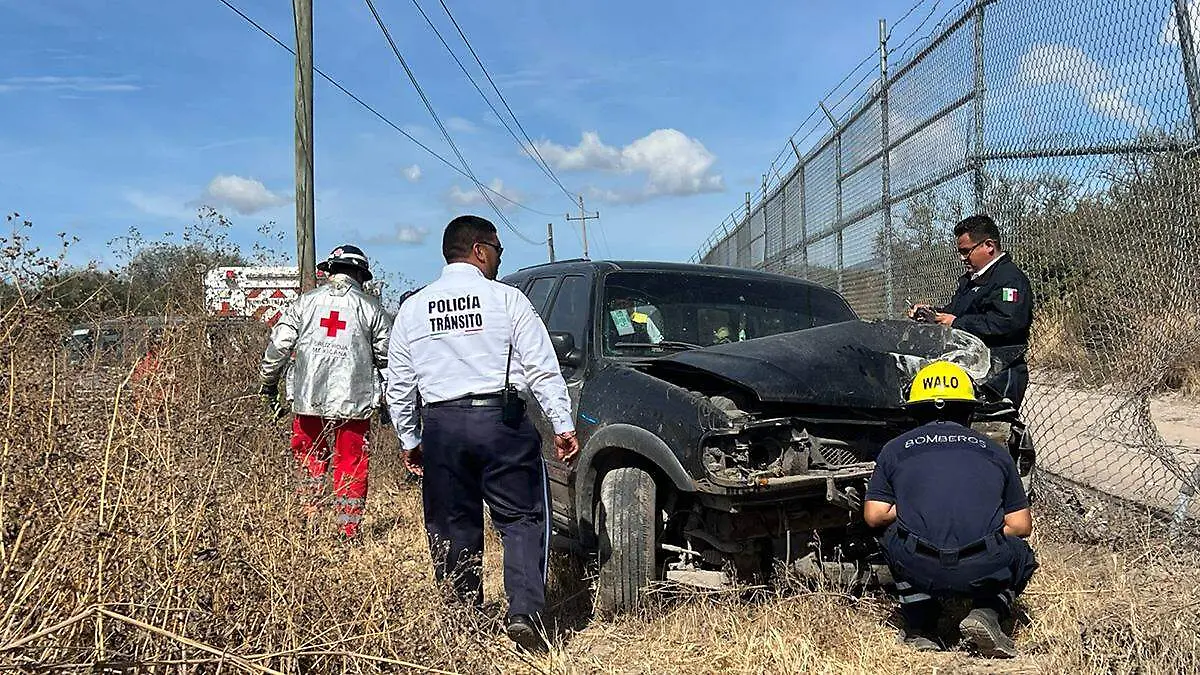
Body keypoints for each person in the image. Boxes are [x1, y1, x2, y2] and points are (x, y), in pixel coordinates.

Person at [385, 215, 578, 653]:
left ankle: (462, 618)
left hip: (442, 426)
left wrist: (410, 439)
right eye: (498, 250)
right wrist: (562, 424)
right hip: (501, 422)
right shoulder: (506, 300)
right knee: (522, 518)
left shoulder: (415, 308)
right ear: (478, 249)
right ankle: (525, 612)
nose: (498, 258)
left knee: (451, 524)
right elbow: (541, 366)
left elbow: (398, 384)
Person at [863, 360, 1037, 658]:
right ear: (969, 411)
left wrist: (910, 507)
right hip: (984, 564)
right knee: (1022, 555)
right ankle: (987, 612)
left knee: (889, 534)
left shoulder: (894, 448)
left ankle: (921, 624)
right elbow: (1021, 526)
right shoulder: (994, 450)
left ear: (915, 411)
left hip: (919, 564)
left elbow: (874, 515)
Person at [259, 244, 392, 540]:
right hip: (355, 402)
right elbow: (388, 361)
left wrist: (269, 385)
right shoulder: (372, 308)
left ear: (330, 271)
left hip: (308, 399)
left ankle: (311, 524)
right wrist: (390, 403)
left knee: (309, 459)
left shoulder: (303, 304)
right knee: (352, 463)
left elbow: (278, 347)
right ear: (361, 274)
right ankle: (348, 530)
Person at [908, 214, 1033, 408]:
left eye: (966, 251)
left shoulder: (1009, 280)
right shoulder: (972, 280)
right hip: (972, 368)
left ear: (989, 246)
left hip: (999, 373)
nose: (962, 258)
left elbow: (1007, 322)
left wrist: (956, 323)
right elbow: (955, 312)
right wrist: (930, 313)